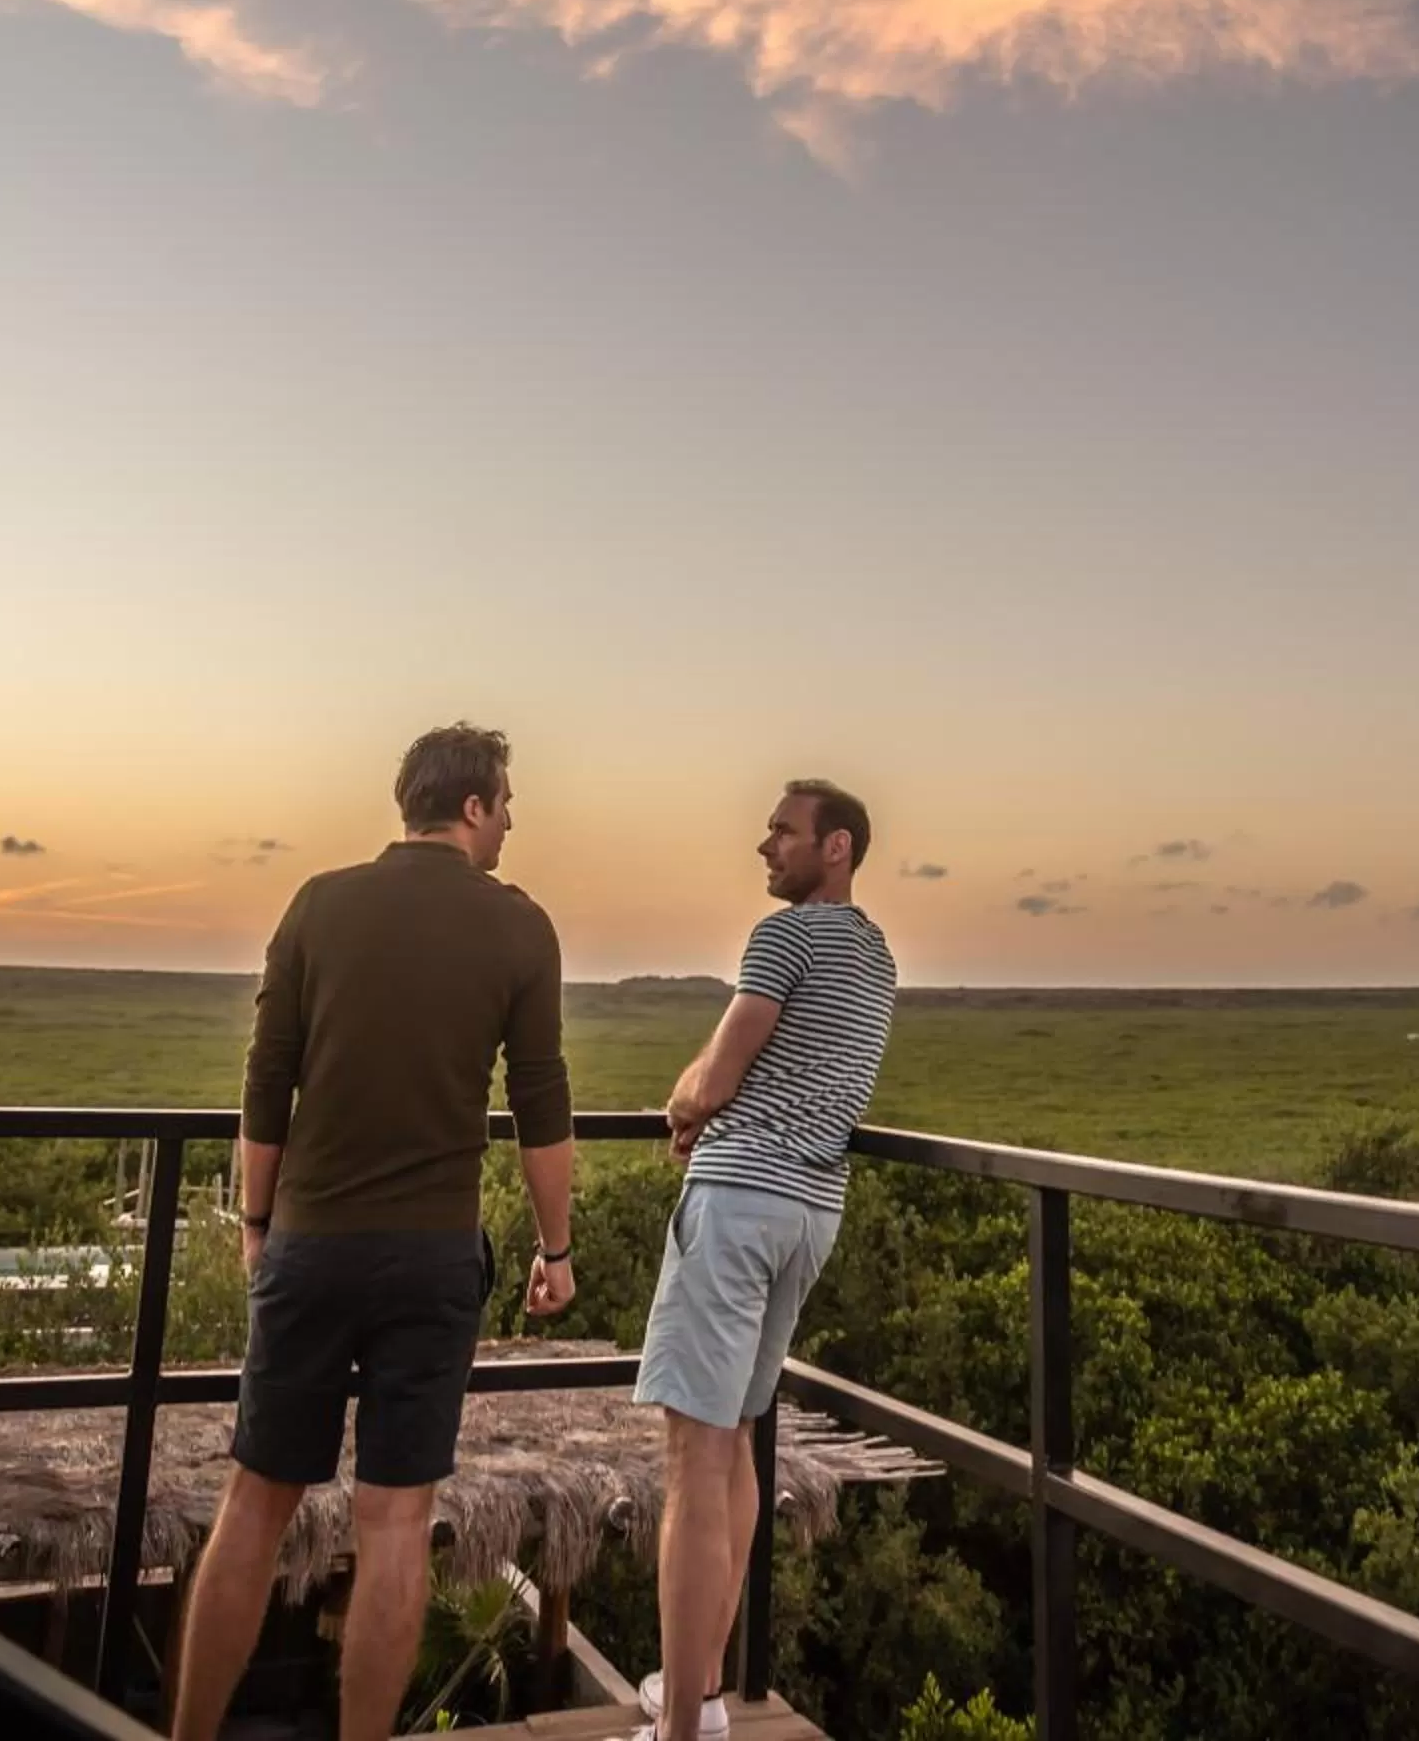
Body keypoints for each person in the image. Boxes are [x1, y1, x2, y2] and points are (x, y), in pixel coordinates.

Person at [171, 722, 576, 1741]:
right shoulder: (520, 928)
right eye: (507, 806)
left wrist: (258, 1224)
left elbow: (268, 1080)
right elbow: (541, 1103)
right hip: (432, 1254)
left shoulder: (317, 903)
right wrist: (555, 1246)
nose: (510, 825)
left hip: (311, 1242)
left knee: (256, 1507)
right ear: (474, 805)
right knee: (397, 1521)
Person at [631, 780, 897, 1741]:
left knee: (694, 1458)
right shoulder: (875, 952)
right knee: (736, 1438)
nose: (763, 846)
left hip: (740, 1203)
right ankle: (697, 1693)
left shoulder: (783, 937)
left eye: (781, 832)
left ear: (837, 846)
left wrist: (685, 1103)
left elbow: (718, 1071)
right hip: (810, 1214)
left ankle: (680, 1731)